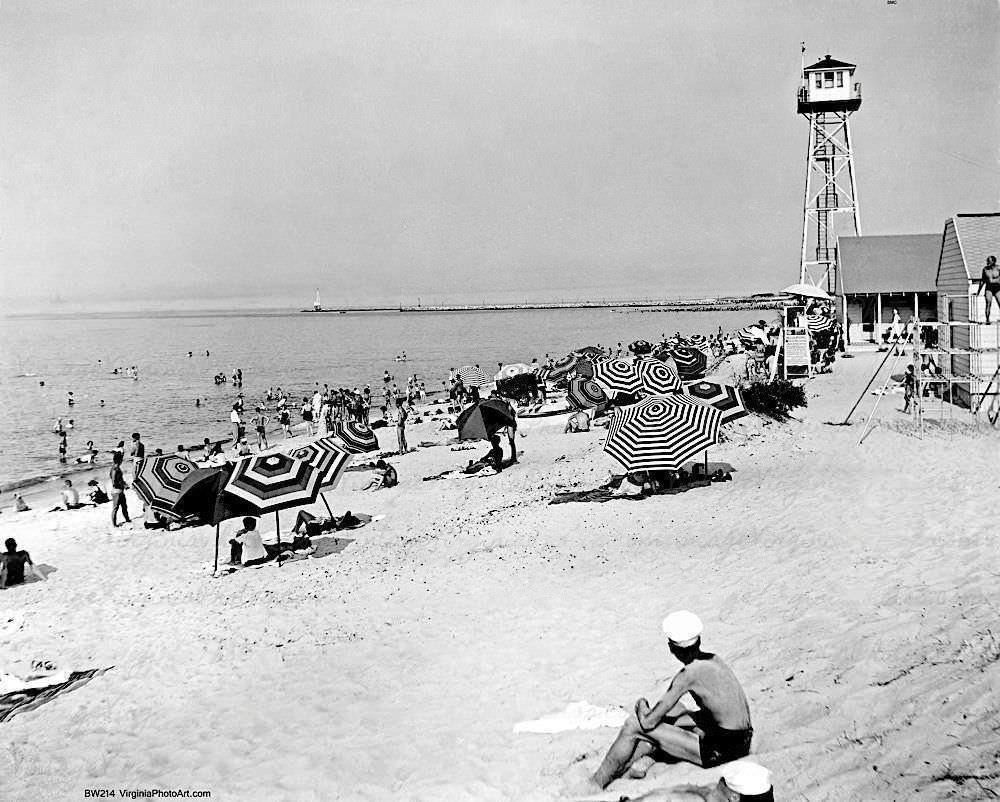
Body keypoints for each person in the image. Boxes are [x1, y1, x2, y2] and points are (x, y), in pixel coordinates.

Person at [589, 611, 753, 790]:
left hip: (723, 750)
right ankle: (639, 766)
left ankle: (596, 782)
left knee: (634, 725)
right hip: (743, 738)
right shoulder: (713, 659)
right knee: (675, 711)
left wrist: (640, 703)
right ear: (698, 640)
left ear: (672, 648)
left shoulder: (687, 675)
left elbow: (648, 721)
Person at [109, 452, 131, 527]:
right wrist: (124, 485)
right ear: (120, 460)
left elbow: (118, 480)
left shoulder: (114, 468)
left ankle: (127, 519)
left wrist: (124, 484)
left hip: (118, 491)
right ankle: (114, 524)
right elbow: (114, 482)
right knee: (116, 508)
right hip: (117, 491)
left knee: (124, 506)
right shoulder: (115, 469)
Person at [978, 255, 1000, 324]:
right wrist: (978, 291)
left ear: (993, 262)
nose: (987, 263)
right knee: (988, 302)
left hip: (997, 288)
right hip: (989, 288)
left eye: (989, 261)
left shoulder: (998, 268)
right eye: (987, 261)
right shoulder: (985, 269)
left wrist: (996, 281)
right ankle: (987, 320)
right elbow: (982, 281)